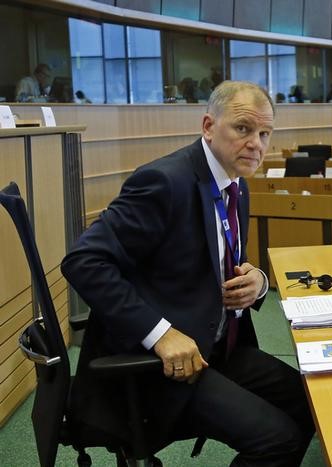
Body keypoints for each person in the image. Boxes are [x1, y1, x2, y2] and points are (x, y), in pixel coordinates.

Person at [61, 81, 315, 465]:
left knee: (309, 404)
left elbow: (216, 262)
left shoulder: (236, 184)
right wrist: (160, 334)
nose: (256, 144)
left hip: (216, 344)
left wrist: (258, 282)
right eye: (243, 129)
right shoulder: (164, 182)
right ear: (209, 126)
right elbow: (83, 261)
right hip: (160, 364)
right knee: (275, 441)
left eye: (264, 134)